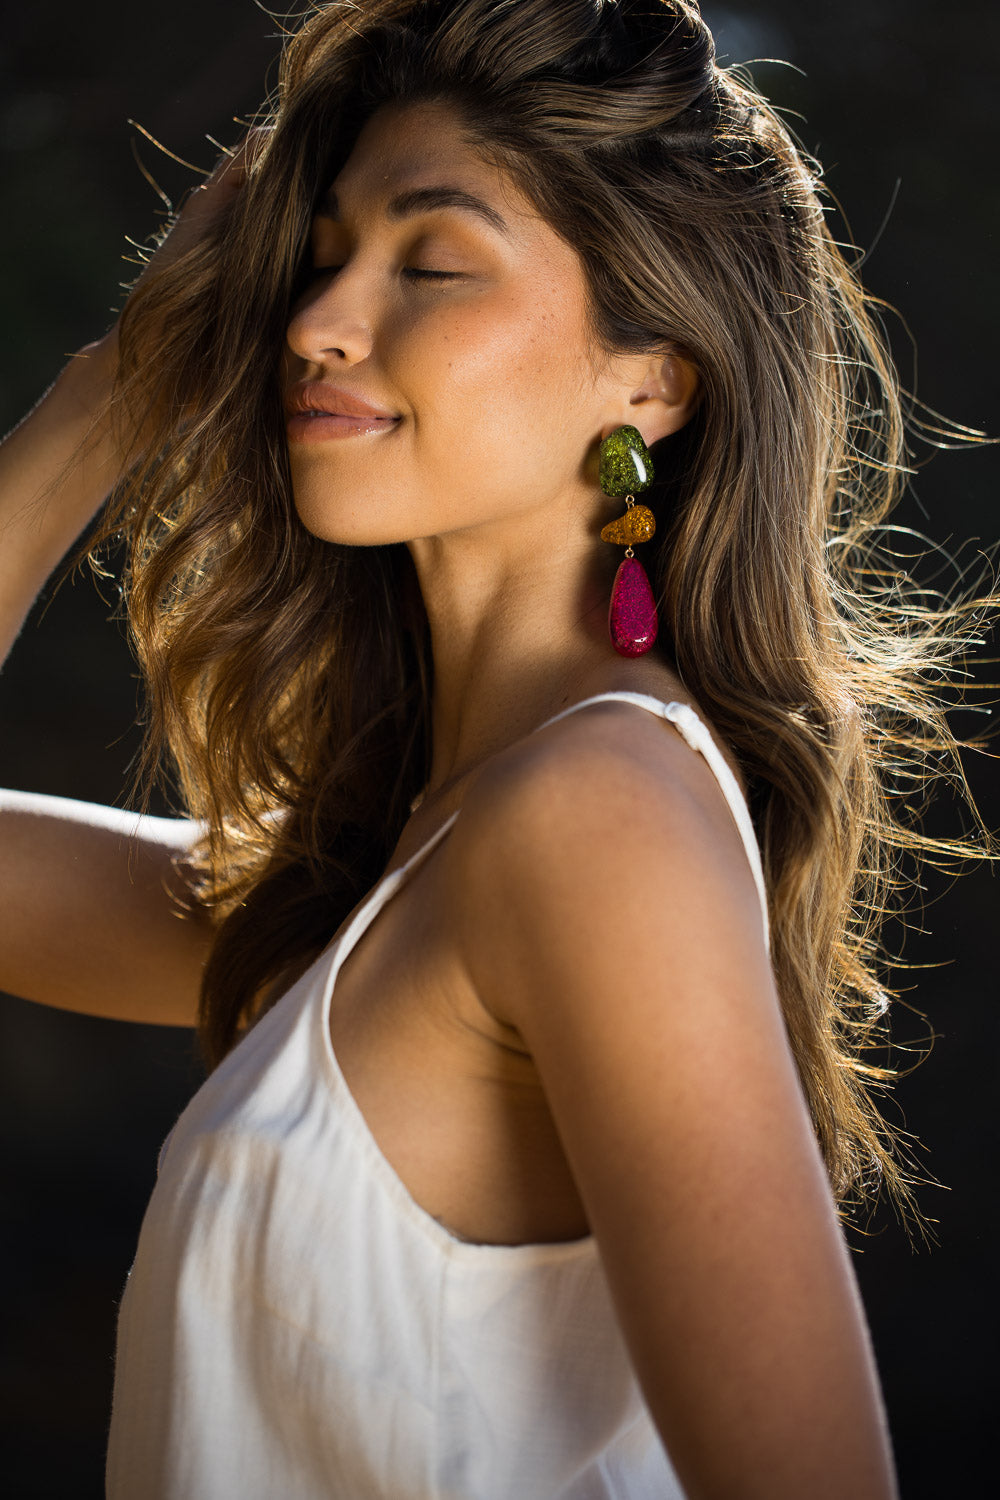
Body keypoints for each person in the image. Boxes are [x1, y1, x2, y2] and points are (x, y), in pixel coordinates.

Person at [1, 1, 990, 1495]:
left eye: (433, 263)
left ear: (652, 377)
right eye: (321, 255)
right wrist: (117, 385)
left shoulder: (598, 814)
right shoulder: (395, 879)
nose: (317, 321)